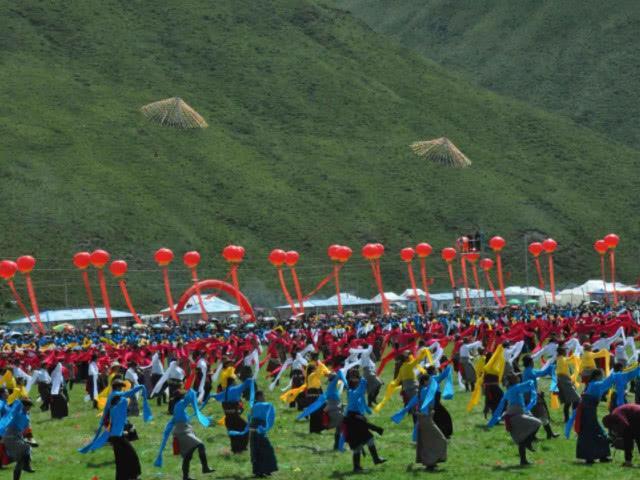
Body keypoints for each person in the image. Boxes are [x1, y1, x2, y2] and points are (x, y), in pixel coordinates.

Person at [79, 380, 152, 480]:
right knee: (132, 456)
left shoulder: (112, 399)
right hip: (117, 436)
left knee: (121, 458)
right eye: (121, 387)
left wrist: (103, 424)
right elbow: (129, 393)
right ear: (118, 387)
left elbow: (106, 413)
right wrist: (141, 387)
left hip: (115, 435)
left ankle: (126, 477)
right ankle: (134, 476)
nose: (122, 390)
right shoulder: (117, 396)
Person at [154, 389, 214, 480]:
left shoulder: (177, 406)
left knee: (187, 455)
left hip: (182, 431)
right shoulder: (181, 403)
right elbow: (189, 398)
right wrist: (192, 390)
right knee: (200, 445)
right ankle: (205, 468)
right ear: (181, 397)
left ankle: (186, 477)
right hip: (183, 432)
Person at [391, 374, 447, 471]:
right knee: (441, 440)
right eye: (429, 380)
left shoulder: (422, 391)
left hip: (426, 418)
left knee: (427, 441)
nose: (431, 381)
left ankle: (430, 463)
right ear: (425, 381)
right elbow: (415, 403)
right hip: (425, 419)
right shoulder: (426, 391)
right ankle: (430, 463)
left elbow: (412, 403)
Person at [488, 377, 540, 466]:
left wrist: (493, 420)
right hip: (516, 416)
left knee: (521, 440)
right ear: (514, 380)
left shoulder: (508, 391)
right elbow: (528, 384)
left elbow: (501, 406)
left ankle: (523, 461)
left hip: (512, 417)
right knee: (537, 423)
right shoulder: (517, 387)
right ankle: (528, 443)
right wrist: (531, 382)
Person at [341, 369, 385, 472]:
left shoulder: (354, 389)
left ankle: (375, 459)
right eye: (353, 378)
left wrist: (366, 410)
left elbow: (361, 398)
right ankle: (357, 467)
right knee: (358, 444)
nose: (355, 380)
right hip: (353, 420)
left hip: (356, 419)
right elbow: (359, 392)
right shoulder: (351, 391)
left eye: (356, 377)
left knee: (368, 439)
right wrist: (363, 381)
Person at [211, 378, 254, 453]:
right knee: (246, 429)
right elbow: (245, 384)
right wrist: (251, 380)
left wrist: (210, 396)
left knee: (233, 435)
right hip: (236, 418)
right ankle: (243, 448)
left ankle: (235, 450)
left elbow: (216, 397)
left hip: (228, 420)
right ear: (233, 382)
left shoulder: (223, 393)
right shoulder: (235, 389)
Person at [521, 355, 558, 439]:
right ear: (530, 363)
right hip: (532, 397)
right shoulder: (530, 371)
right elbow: (542, 373)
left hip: (528, 396)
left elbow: (541, 373)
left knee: (536, 415)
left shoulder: (527, 371)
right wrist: (551, 367)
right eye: (533, 362)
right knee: (542, 413)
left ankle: (548, 434)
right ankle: (542, 434)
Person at [0, 398, 35, 480]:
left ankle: (17, 477)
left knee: (21, 459)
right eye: (28, 406)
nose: (29, 408)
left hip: (18, 436)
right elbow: (14, 409)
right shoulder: (16, 413)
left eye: (30, 407)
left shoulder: (26, 417)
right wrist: (19, 402)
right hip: (10, 436)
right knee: (27, 447)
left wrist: (30, 439)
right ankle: (27, 466)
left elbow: (26, 430)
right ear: (24, 406)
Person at [245, 390, 278, 477]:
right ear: (259, 397)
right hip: (259, 429)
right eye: (263, 396)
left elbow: (249, 417)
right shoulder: (263, 405)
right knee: (265, 449)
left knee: (257, 450)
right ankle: (264, 470)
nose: (264, 398)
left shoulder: (253, 406)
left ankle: (261, 471)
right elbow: (270, 408)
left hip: (253, 429)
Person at [555, 346, 579, 422]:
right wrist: (576, 355)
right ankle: (573, 417)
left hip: (562, 380)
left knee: (568, 401)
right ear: (562, 352)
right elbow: (571, 360)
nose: (566, 352)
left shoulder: (559, 358)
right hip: (564, 380)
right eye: (565, 351)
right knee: (576, 399)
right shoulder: (562, 359)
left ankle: (567, 418)